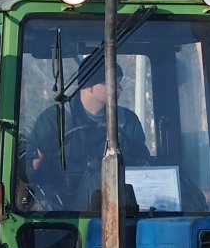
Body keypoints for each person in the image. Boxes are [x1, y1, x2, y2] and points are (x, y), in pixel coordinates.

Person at [19, 62, 150, 211]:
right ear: (89, 86)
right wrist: (43, 149)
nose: (119, 89)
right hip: (62, 210)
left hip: (116, 207)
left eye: (119, 82)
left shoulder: (127, 121)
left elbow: (143, 168)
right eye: (112, 83)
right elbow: (27, 171)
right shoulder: (55, 119)